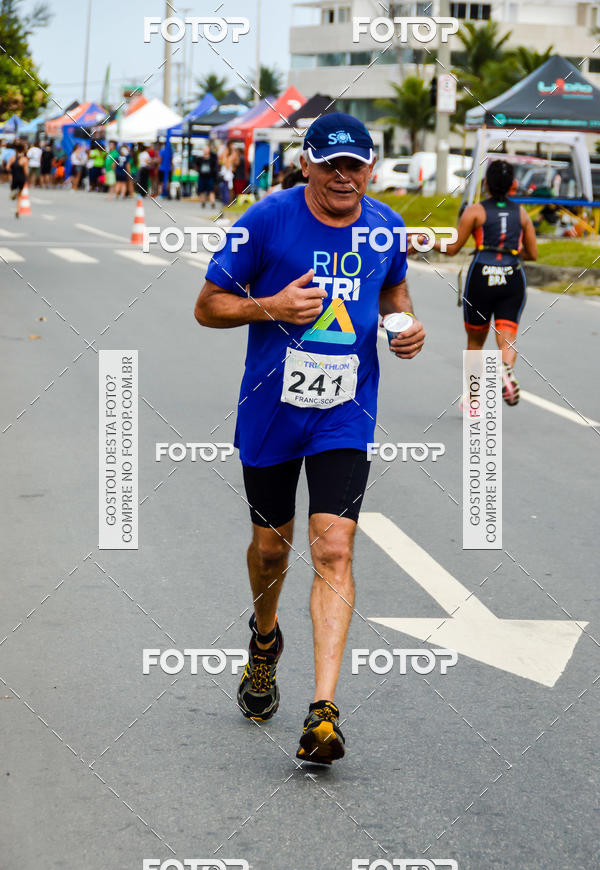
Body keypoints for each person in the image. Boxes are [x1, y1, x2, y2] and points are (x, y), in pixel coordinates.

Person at [194, 112, 425, 765]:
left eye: (356, 165)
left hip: (344, 411)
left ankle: (323, 710)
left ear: (370, 168)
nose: (344, 177)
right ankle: (264, 640)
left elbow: (394, 293)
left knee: (335, 547)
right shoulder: (267, 220)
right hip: (272, 409)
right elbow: (207, 304)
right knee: (271, 549)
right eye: (332, 165)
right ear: (307, 166)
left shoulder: (384, 226)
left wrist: (405, 327)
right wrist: (270, 306)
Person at [434, 159, 537, 406]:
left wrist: (425, 243)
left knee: (475, 342)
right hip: (512, 275)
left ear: (486, 184)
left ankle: (473, 396)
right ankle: (504, 369)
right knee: (508, 335)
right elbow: (532, 253)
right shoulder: (521, 214)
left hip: (481, 275)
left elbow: (452, 249)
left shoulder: (475, 211)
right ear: (513, 184)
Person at [195, 143, 218, 207]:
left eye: (206, 149)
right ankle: (203, 202)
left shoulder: (212, 159)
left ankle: (212, 203)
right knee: (201, 190)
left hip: (209, 177)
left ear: (209, 150)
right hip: (202, 176)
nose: (205, 151)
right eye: (204, 149)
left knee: (211, 190)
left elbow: (215, 167)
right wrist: (198, 171)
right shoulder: (199, 159)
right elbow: (196, 166)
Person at [10, 142, 28, 215]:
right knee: (20, 195)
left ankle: (13, 194)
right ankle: (18, 209)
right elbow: (26, 172)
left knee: (13, 191)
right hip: (21, 178)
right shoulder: (24, 159)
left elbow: (8, 167)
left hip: (14, 178)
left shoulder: (12, 158)